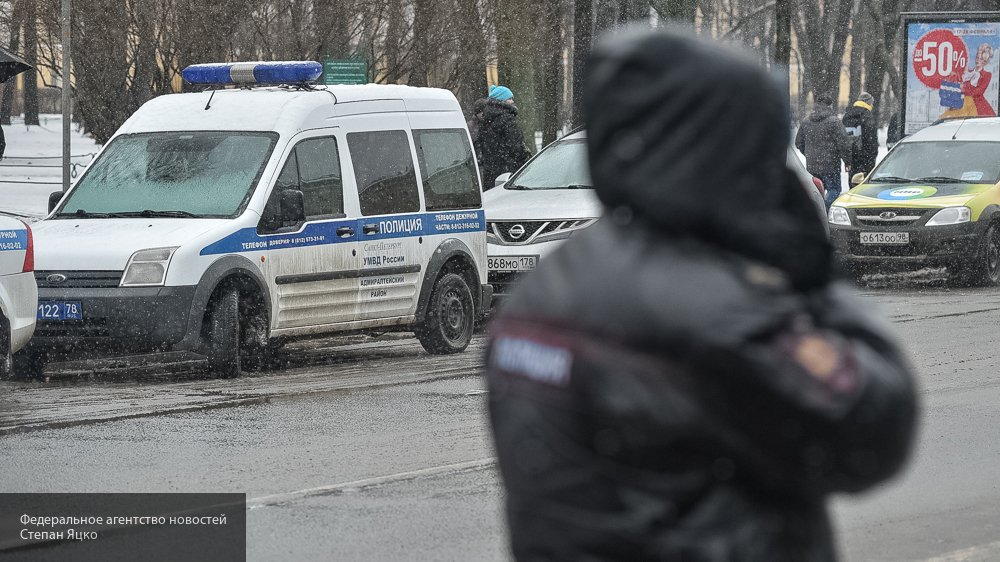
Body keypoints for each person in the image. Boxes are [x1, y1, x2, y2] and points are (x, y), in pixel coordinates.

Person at [486, 28, 917, 561]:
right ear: (723, 149)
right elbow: (872, 428)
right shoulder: (719, 307)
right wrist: (812, 276)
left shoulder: (545, 290)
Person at [796, 93, 851, 208]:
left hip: (812, 166)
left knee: (816, 192)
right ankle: (827, 211)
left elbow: (798, 142)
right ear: (830, 106)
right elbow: (843, 144)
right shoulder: (834, 122)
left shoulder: (806, 121)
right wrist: (847, 161)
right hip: (831, 165)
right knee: (834, 189)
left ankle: (818, 213)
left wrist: (809, 154)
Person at [472, 85, 530, 189]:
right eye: (509, 99)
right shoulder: (507, 120)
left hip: (491, 171)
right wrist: (526, 160)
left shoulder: (485, 120)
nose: (512, 102)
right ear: (501, 101)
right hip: (508, 172)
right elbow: (516, 147)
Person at [841, 92, 878, 176]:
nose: (872, 105)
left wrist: (847, 158)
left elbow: (843, 138)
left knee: (853, 182)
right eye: (871, 103)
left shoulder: (847, 115)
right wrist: (872, 157)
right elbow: (871, 140)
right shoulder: (867, 116)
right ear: (868, 102)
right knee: (864, 184)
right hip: (865, 158)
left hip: (851, 157)